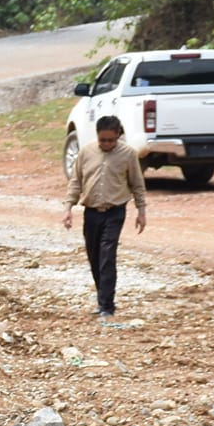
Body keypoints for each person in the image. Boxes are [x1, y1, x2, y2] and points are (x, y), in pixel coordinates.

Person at [62, 115, 147, 320]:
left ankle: (107, 306)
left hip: (115, 212)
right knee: (94, 257)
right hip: (91, 212)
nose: (107, 144)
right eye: (103, 140)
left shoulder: (128, 154)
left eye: (111, 140)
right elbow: (76, 182)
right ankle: (102, 299)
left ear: (118, 135)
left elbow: (137, 184)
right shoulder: (86, 152)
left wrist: (141, 211)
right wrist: (68, 208)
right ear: (97, 136)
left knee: (107, 256)